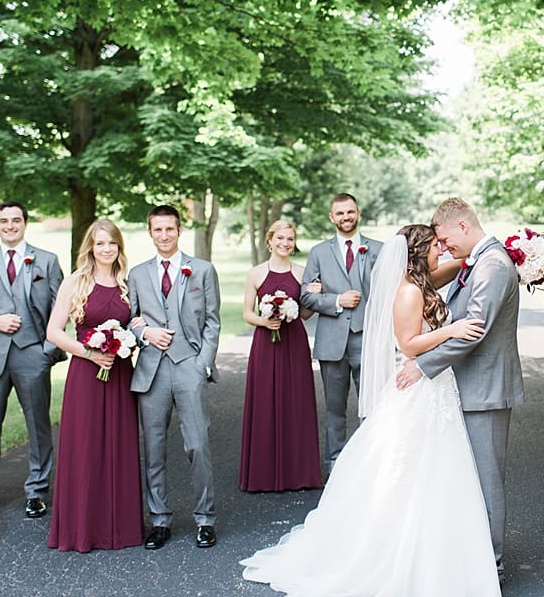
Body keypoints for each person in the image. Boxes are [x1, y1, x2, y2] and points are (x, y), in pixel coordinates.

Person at [242, 225, 500, 597]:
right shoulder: (410, 291)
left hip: (437, 391)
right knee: (408, 472)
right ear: (419, 252)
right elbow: (408, 344)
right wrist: (452, 329)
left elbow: (459, 264)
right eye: (435, 246)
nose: (441, 251)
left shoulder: (423, 279)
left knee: (439, 474)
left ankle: (441, 558)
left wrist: (495, 252)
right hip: (418, 390)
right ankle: (396, 559)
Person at [396, 197, 524, 576]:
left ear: (463, 227)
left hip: (485, 389)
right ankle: (471, 559)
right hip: (466, 386)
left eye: (445, 238)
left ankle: (492, 566)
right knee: (464, 478)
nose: (444, 245)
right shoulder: (475, 263)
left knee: (486, 480)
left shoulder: (494, 266)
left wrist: (423, 365)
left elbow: (475, 331)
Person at [0, 201, 65, 520]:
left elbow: (62, 307)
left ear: (25, 223)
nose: (9, 226)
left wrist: (47, 350)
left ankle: (36, 492)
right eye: (3, 221)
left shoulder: (46, 261)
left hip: (33, 353)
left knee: (38, 425)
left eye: (15, 220)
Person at [44, 220, 143, 552]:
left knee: (119, 447)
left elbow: (138, 324)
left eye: (112, 243)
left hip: (119, 373)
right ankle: (82, 529)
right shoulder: (75, 282)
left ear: (119, 248)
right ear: (90, 247)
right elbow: (54, 332)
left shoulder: (128, 284)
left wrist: (130, 339)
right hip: (86, 376)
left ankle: (120, 528)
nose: (106, 249)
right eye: (100, 244)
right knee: (85, 449)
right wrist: (89, 353)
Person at [128, 205, 221, 550]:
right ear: (149, 232)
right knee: (153, 449)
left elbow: (213, 321)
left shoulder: (202, 270)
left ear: (179, 230)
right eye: (157, 230)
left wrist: (202, 364)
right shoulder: (137, 274)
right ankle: (160, 520)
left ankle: (205, 519)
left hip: (189, 366)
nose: (164, 235)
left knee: (197, 444)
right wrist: (145, 332)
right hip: (151, 370)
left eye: (170, 229)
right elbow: (130, 319)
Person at [299, 193, 382, 471]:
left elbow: (387, 294)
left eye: (350, 212)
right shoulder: (319, 253)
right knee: (335, 411)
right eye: (340, 213)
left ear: (358, 213)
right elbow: (305, 297)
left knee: (371, 407)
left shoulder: (378, 250)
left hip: (367, 338)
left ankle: (369, 465)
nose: (346, 217)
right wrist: (336, 300)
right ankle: (335, 466)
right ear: (331, 217)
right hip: (332, 341)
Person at [239, 219, 322, 492]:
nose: (285, 243)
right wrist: (266, 322)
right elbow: (248, 313)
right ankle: (262, 474)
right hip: (266, 344)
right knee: (265, 402)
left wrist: (312, 297)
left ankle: (298, 473)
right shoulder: (255, 274)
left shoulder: (302, 272)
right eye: (280, 238)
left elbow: (307, 313)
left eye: (290, 239)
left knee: (295, 402)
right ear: (269, 240)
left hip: (294, 344)